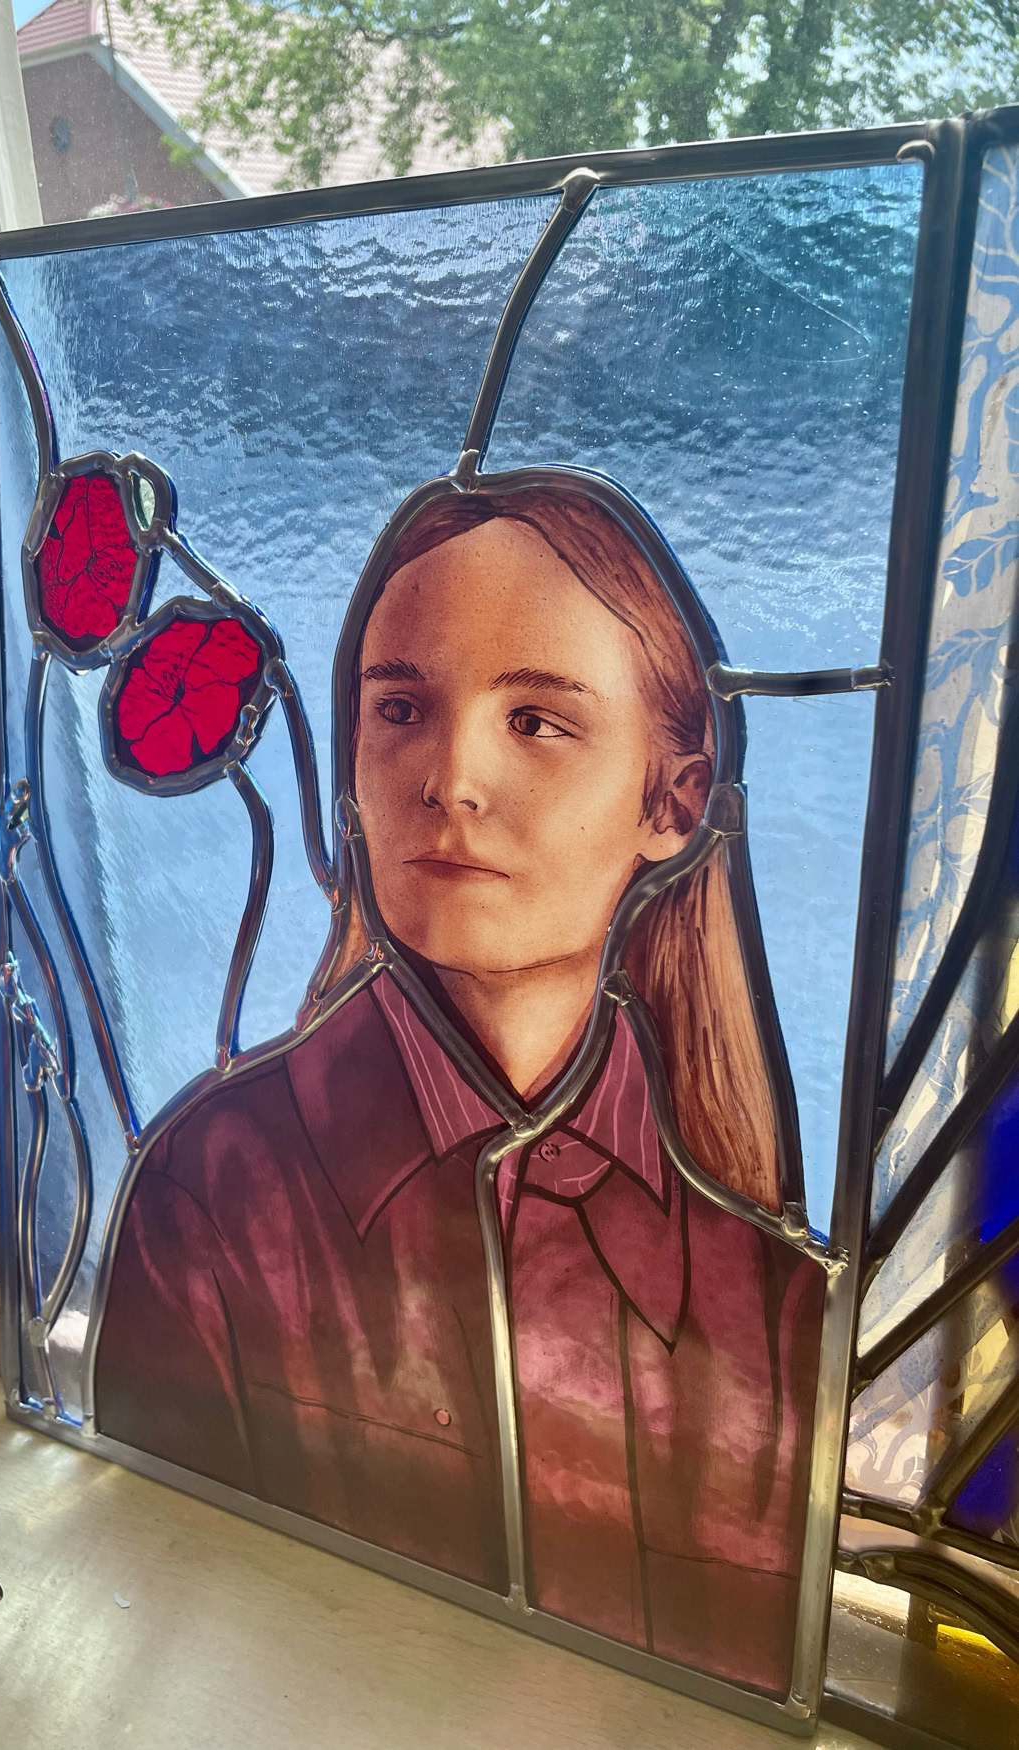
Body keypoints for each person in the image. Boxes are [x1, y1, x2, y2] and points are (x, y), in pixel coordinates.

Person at [93, 478, 826, 1697]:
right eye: (399, 707)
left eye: (536, 720)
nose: (449, 779)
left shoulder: (781, 1304)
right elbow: (177, 1632)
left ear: (672, 798)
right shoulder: (214, 1198)